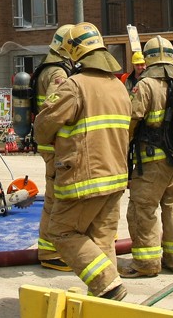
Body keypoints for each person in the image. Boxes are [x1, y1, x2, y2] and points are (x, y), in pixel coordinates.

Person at [34, 23, 131, 301]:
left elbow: (43, 128)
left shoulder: (74, 86)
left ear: (75, 53)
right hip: (115, 177)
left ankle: (107, 283)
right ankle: (104, 300)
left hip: (83, 178)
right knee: (102, 239)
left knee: (61, 232)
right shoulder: (120, 87)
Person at [123, 36, 173, 278]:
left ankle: (146, 263)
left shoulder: (145, 85)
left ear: (148, 59)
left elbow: (132, 120)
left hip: (152, 162)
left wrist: (123, 147)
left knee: (143, 209)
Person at [30, 25, 73, 271]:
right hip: (56, 145)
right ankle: (50, 252)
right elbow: (54, 110)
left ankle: (51, 248)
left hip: (51, 144)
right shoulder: (58, 72)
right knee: (56, 197)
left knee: (54, 196)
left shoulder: (47, 66)